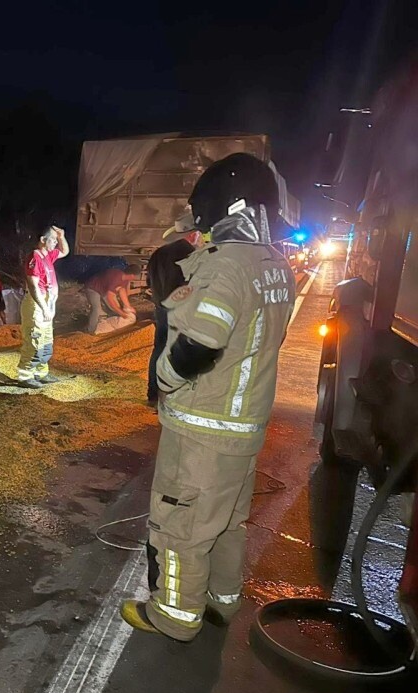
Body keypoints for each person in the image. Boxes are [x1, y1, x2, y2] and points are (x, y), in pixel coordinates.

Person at [121, 153, 296, 642]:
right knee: (228, 521)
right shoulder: (275, 264)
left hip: (203, 426)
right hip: (245, 426)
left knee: (182, 527)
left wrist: (165, 377)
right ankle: (222, 601)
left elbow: (203, 341)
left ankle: (173, 616)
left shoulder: (227, 268)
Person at [145, 213, 203, 405]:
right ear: (192, 235)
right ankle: (173, 395)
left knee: (159, 349)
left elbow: (149, 283)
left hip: (161, 309)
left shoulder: (157, 254)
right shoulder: (192, 255)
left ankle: (153, 394)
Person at [16, 226, 69, 388]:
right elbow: (33, 286)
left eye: (55, 240)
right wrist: (44, 307)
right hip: (37, 303)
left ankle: (41, 372)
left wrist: (61, 236)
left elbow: (65, 251)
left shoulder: (48, 256)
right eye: (52, 239)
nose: (55, 243)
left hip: (47, 304)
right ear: (43, 240)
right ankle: (25, 376)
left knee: (46, 340)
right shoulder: (35, 256)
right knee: (34, 339)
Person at [85, 264, 142, 334]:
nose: (135, 278)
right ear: (132, 275)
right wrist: (121, 312)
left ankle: (109, 323)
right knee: (96, 309)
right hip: (93, 287)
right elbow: (110, 298)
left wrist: (128, 307)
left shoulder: (125, 279)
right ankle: (91, 330)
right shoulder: (116, 278)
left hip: (105, 289)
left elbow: (122, 291)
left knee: (115, 309)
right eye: (136, 276)